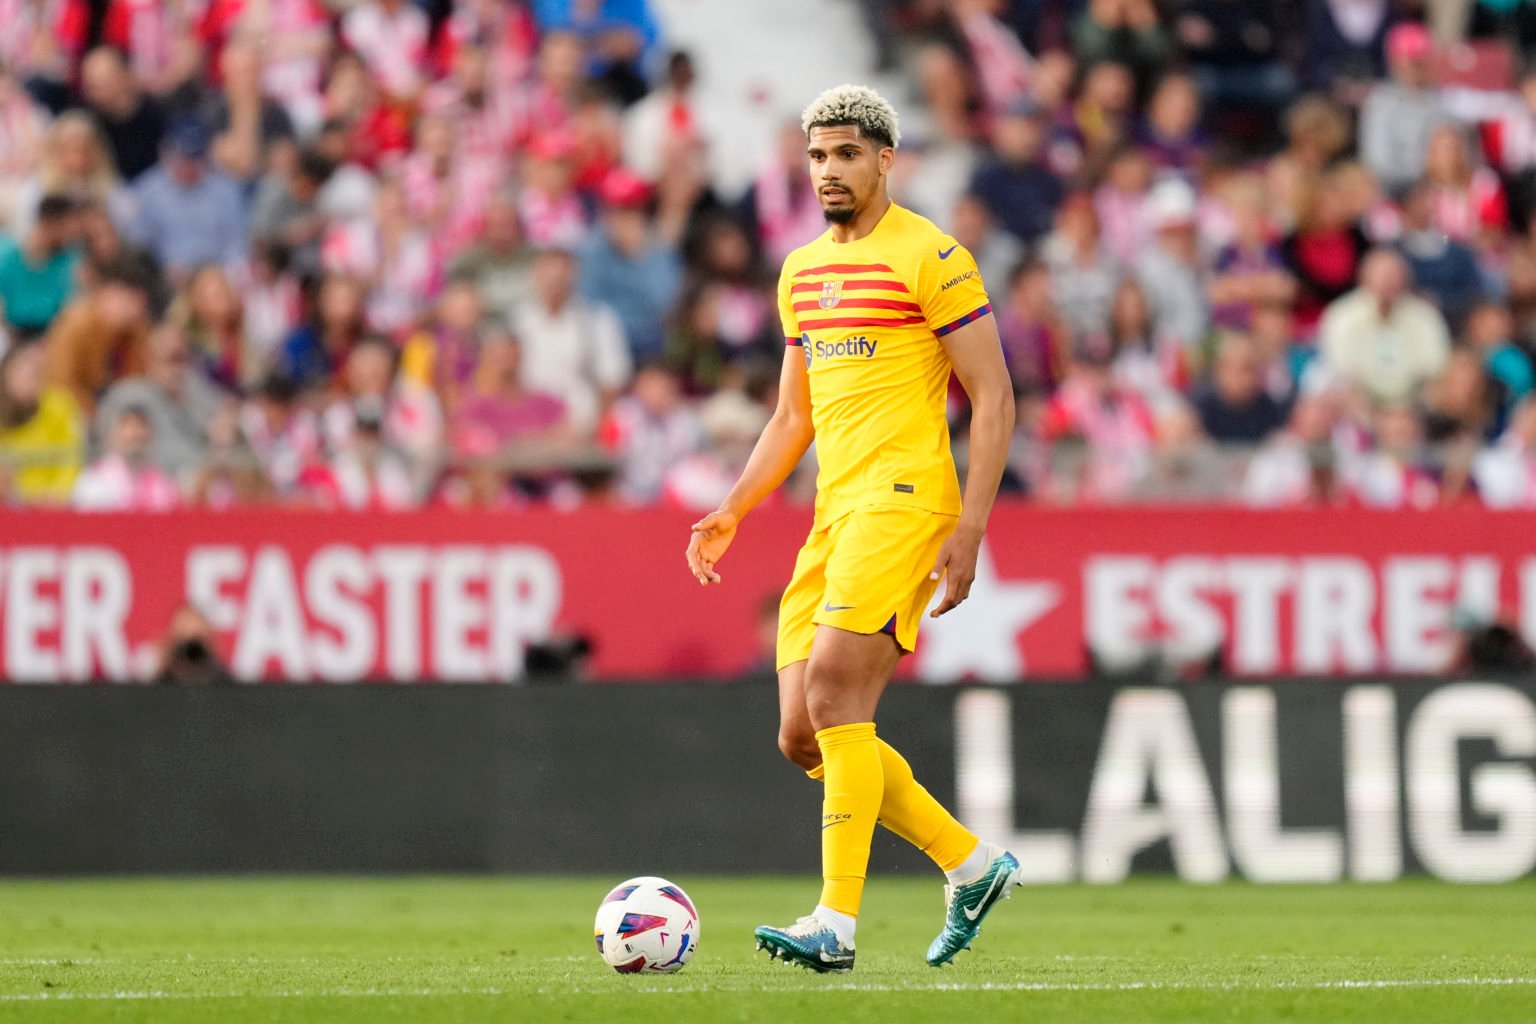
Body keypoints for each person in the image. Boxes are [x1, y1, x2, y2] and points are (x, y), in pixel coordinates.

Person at [684, 85, 1019, 973]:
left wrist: (973, 527)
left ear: (884, 160)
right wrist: (734, 507)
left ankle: (835, 923)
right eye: (817, 157)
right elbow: (791, 417)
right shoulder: (800, 272)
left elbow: (993, 398)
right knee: (803, 733)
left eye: (844, 155)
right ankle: (970, 863)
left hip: (907, 499)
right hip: (835, 511)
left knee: (836, 694)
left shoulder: (933, 258)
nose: (829, 171)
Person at [0, 193, 81, 335]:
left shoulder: (71, 261)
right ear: (51, 223)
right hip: (13, 338)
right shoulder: (8, 257)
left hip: (52, 338)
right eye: (68, 226)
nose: (73, 233)